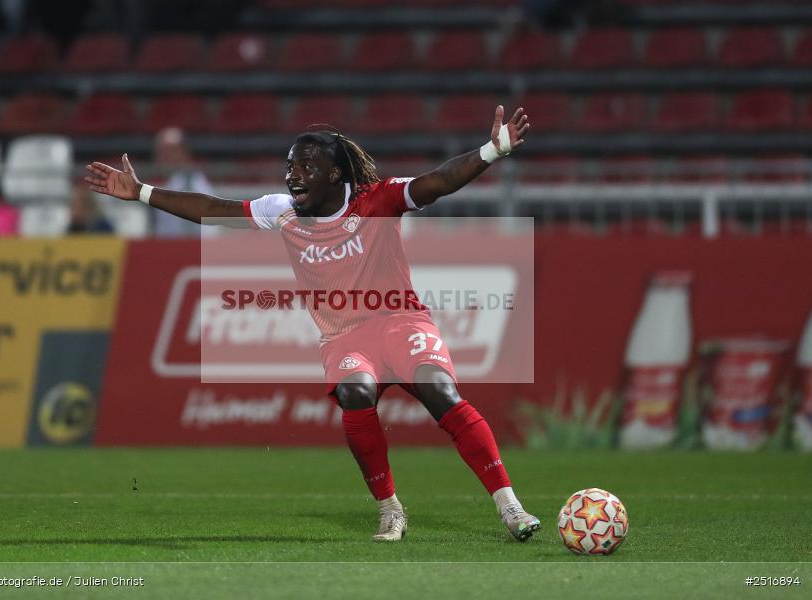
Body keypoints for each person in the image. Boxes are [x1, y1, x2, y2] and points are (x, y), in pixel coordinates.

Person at [85, 105, 538, 543]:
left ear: (334, 174)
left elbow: (437, 182)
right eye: (289, 165)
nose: (293, 174)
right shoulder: (281, 210)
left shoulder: (377, 200)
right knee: (356, 393)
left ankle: (509, 505)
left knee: (442, 393)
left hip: (400, 321)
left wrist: (492, 150)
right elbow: (212, 207)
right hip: (344, 335)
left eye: (306, 165)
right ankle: (390, 509)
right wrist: (142, 192)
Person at [151, 127, 216, 238]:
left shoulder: (195, 184)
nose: (165, 157)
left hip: (191, 250)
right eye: (162, 152)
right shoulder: (166, 185)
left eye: (171, 151)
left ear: (184, 152)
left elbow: (207, 232)